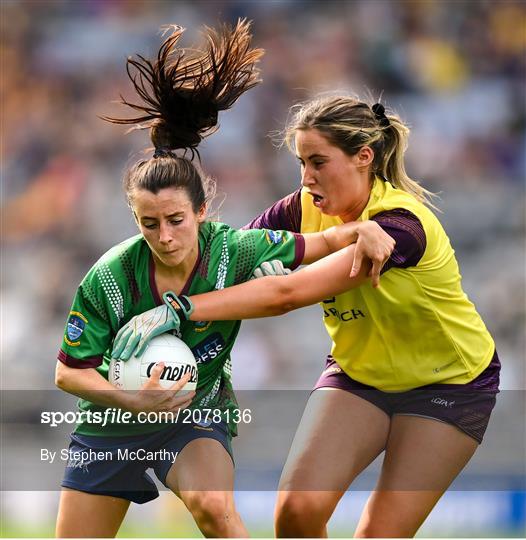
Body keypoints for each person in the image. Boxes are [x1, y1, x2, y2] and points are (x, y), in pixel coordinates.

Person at [55, 22, 393, 538]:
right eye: (149, 224)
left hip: (197, 416)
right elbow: (69, 373)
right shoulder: (109, 278)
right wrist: (132, 400)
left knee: (215, 508)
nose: (164, 236)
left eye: (176, 221)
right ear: (135, 220)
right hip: (112, 425)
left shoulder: (233, 250)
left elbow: (320, 243)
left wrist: (364, 230)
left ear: (202, 211)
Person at [115, 95, 500, 538]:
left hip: (449, 384)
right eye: (301, 162)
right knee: (296, 514)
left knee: (380, 533)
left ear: (364, 157)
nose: (306, 178)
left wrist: (179, 309)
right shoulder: (303, 207)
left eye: (318, 162)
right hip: (361, 376)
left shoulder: (402, 226)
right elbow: (222, 261)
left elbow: (287, 295)